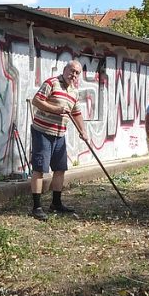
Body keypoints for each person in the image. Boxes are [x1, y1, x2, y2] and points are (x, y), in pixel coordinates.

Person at [29, 60, 88, 221]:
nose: (73, 74)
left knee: (60, 169)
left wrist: (83, 131)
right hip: (42, 131)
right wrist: (56, 109)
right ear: (64, 69)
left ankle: (56, 203)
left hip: (60, 134)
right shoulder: (51, 83)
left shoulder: (74, 92)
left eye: (77, 73)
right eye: (71, 70)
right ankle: (37, 207)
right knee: (39, 169)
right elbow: (36, 100)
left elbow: (76, 113)